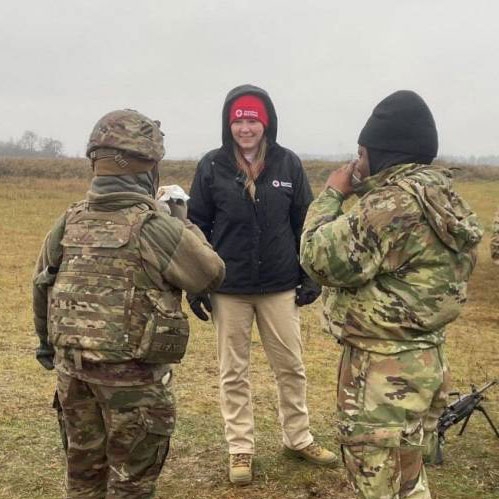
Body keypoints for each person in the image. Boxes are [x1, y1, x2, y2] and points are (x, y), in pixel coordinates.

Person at [32, 109, 225, 498]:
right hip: (134, 386)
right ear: (148, 165)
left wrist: (47, 347)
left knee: (83, 481)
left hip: (74, 377)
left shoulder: (68, 220)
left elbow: (42, 286)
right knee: (132, 486)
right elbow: (209, 273)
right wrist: (181, 221)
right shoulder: (153, 225)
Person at [300, 90, 483, 498]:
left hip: (381, 374)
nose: (356, 162)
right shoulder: (441, 198)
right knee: (408, 476)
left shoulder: (391, 204)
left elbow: (318, 258)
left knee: (375, 484)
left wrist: (333, 193)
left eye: (361, 153)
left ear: (380, 153)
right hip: (424, 364)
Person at [187, 84, 336, 485]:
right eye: (238, 121)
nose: (245, 128)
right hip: (228, 287)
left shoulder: (288, 164)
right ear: (228, 125)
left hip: (279, 286)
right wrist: (197, 283)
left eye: (252, 119)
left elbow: (304, 222)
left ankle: (298, 437)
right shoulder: (211, 166)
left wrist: (309, 276)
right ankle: (240, 448)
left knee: (291, 367)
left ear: (265, 122)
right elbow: (195, 227)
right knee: (232, 372)